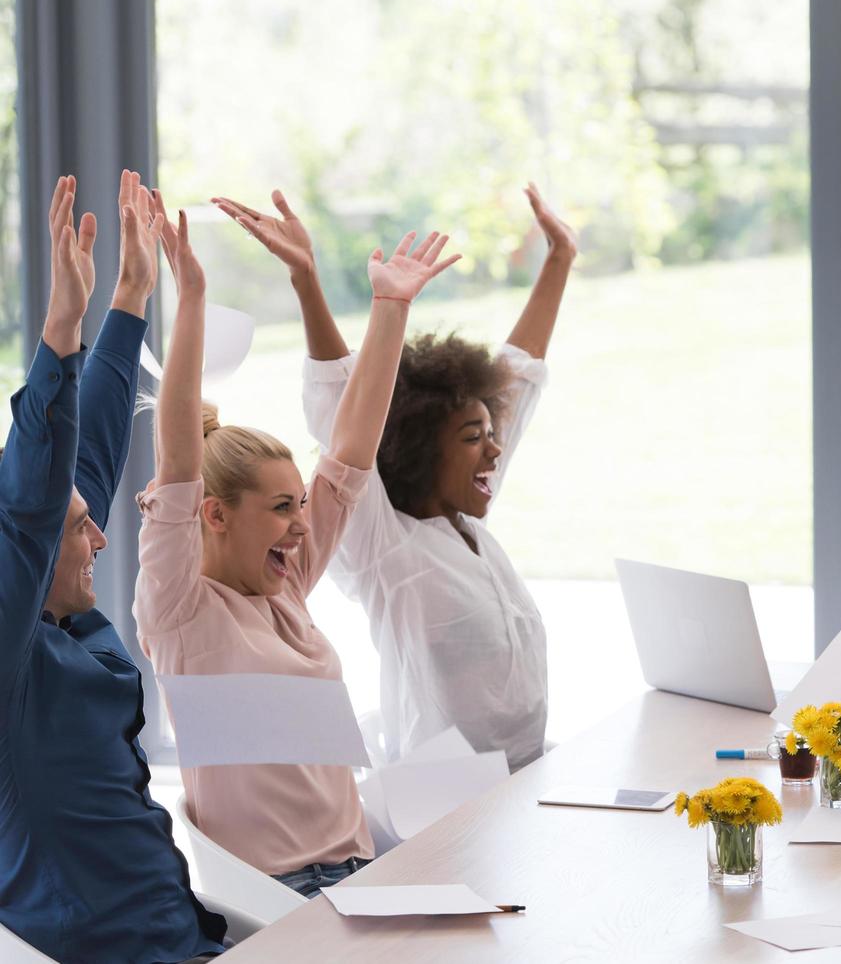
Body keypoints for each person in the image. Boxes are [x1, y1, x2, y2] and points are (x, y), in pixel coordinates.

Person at [134, 194, 460, 898]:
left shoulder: (287, 583)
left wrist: (390, 309)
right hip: (282, 893)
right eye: (282, 509)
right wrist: (190, 299)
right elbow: (178, 456)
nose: (303, 525)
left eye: (301, 505)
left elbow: (351, 450)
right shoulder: (180, 611)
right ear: (214, 516)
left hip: (357, 870)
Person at [213, 185, 574, 770]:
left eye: (492, 433)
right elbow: (343, 414)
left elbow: (517, 378)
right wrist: (306, 278)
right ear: (421, 452)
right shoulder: (386, 546)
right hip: (444, 805)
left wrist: (559, 259)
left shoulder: (467, 519)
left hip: (528, 775)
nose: (495, 451)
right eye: (473, 438)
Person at [0, 173, 227, 961]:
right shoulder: (11, 652)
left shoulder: (60, 615)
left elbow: (85, 453)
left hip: (184, 934)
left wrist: (130, 293)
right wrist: (62, 322)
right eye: (79, 530)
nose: (99, 538)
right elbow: (34, 504)